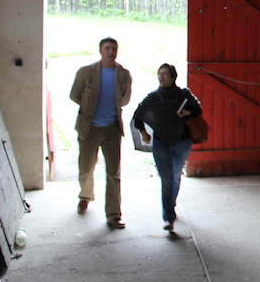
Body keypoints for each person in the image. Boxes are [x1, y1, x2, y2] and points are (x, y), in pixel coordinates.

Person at [70, 36, 132, 229]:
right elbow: (74, 95)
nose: (110, 51)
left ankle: (114, 214)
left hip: (112, 128)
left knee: (113, 172)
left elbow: (125, 99)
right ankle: (85, 196)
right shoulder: (86, 72)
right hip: (89, 127)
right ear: (100, 51)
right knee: (86, 167)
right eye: (107, 48)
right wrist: (89, 106)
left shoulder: (123, 74)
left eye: (113, 48)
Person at [132, 64, 202, 232]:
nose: (161, 77)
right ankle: (168, 217)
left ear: (173, 77)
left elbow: (198, 110)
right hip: (161, 143)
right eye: (159, 74)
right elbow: (137, 116)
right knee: (167, 179)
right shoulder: (154, 98)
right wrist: (143, 133)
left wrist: (187, 113)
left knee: (175, 177)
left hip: (182, 142)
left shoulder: (183, 95)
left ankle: (171, 203)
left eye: (164, 74)